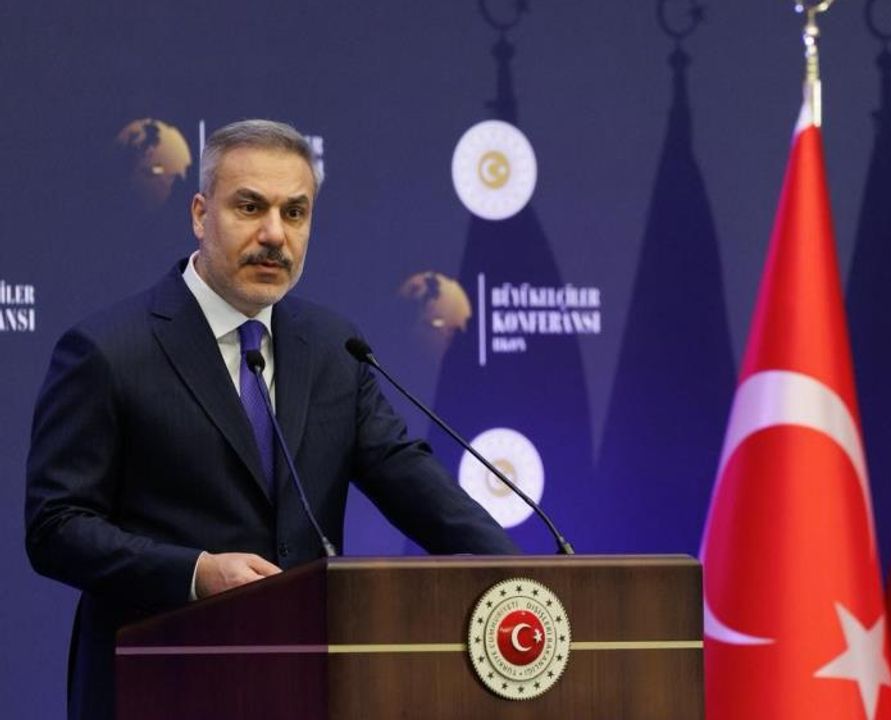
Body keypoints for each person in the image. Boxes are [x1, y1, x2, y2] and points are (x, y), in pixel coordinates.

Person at [24, 119, 519, 720]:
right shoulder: (109, 350)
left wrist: (526, 578)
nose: (274, 234)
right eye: (250, 207)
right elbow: (57, 527)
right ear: (200, 214)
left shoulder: (333, 348)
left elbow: (408, 478)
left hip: (302, 689)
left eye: (295, 212)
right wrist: (196, 572)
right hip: (160, 686)